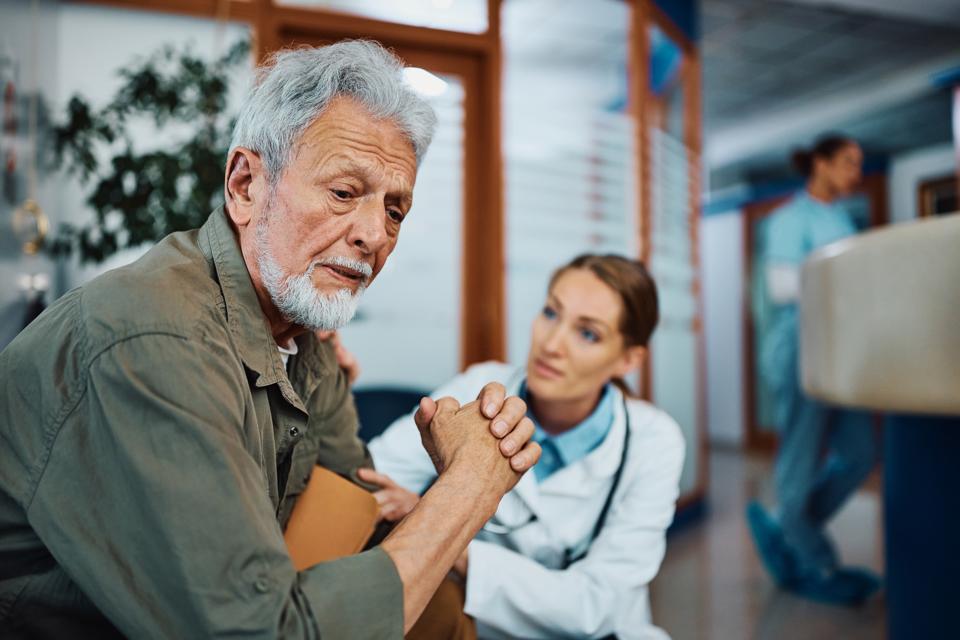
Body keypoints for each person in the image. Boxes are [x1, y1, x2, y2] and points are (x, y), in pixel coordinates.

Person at [0, 40, 541, 638]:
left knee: (442, 616)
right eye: (343, 192)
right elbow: (260, 632)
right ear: (245, 185)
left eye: (394, 210)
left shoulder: (305, 339)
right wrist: (470, 484)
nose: (373, 235)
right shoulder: (154, 338)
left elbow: (347, 521)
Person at [364, 254, 685, 639]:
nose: (552, 344)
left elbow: (596, 605)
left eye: (588, 334)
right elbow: (374, 473)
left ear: (628, 360)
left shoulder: (654, 442)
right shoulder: (480, 388)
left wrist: (440, 526)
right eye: (551, 313)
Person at [746, 134, 880, 605]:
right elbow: (783, 287)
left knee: (860, 451)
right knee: (800, 459)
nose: (854, 172)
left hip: (841, 352)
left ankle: (789, 527)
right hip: (801, 349)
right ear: (819, 164)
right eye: (847, 162)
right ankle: (815, 559)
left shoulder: (840, 219)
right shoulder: (789, 219)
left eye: (858, 164)